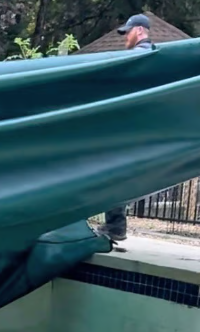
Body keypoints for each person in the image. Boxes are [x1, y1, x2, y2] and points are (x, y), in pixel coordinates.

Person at [96, 14, 154, 242]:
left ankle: (116, 227)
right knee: (116, 175)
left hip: (130, 130)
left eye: (128, 32)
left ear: (139, 31)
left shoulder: (142, 55)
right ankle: (116, 226)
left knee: (113, 174)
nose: (125, 38)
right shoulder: (148, 54)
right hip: (137, 129)